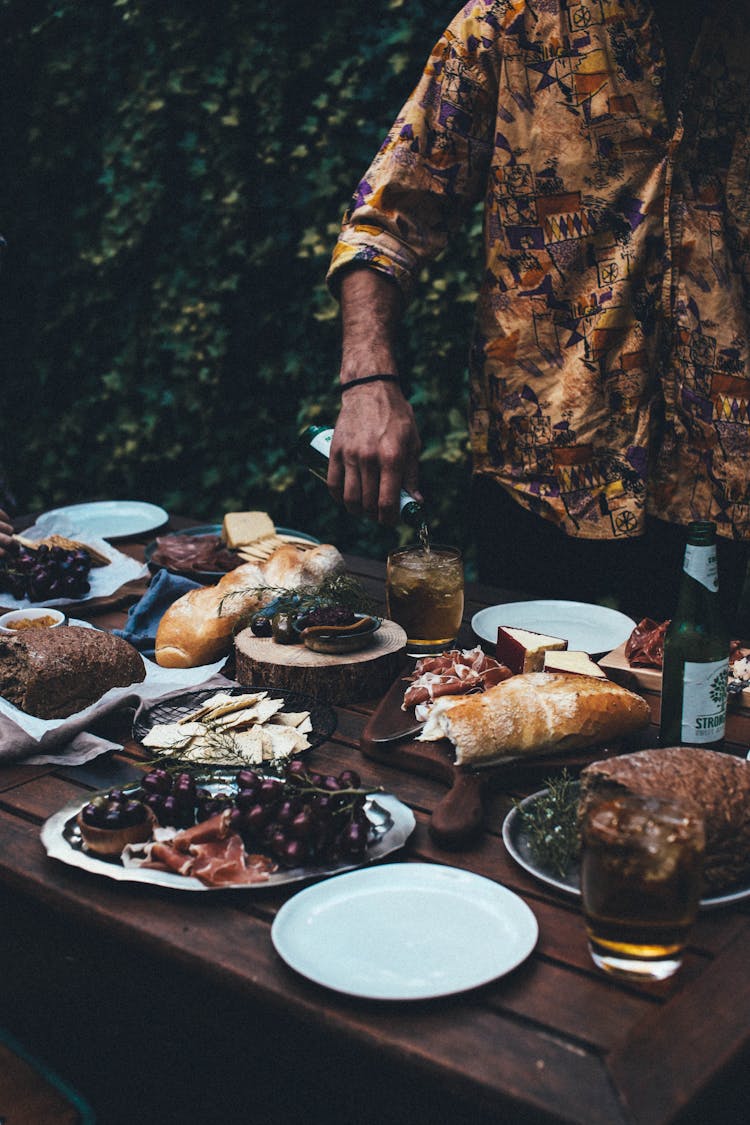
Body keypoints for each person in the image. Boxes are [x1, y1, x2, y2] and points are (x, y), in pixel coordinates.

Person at [324, 0, 750, 622]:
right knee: (513, 699)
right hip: (538, 473)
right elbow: (388, 219)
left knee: (697, 707)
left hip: (719, 484)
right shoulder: (510, 18)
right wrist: (368, 383)